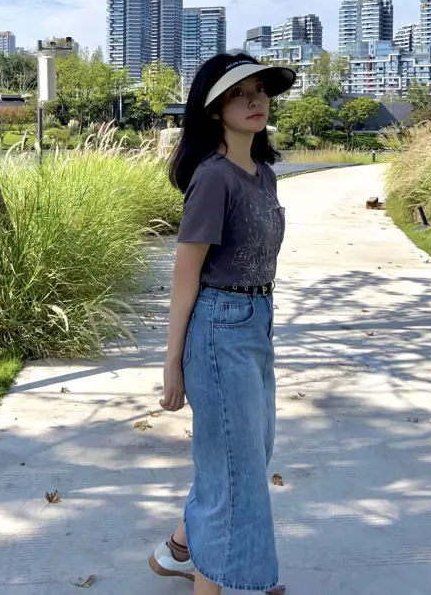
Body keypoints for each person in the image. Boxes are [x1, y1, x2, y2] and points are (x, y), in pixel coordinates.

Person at [148, 52, 296, 595]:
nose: (256, 100)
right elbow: (186, 272)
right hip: (219, 327)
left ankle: (182, 547)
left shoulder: (263, 175)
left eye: (260, 90)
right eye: (240, 93)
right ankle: (227, 579)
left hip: (255, 323)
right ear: (213, 110)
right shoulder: (213, 179)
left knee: (246, 455)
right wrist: (173, 360)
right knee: (235, 472)